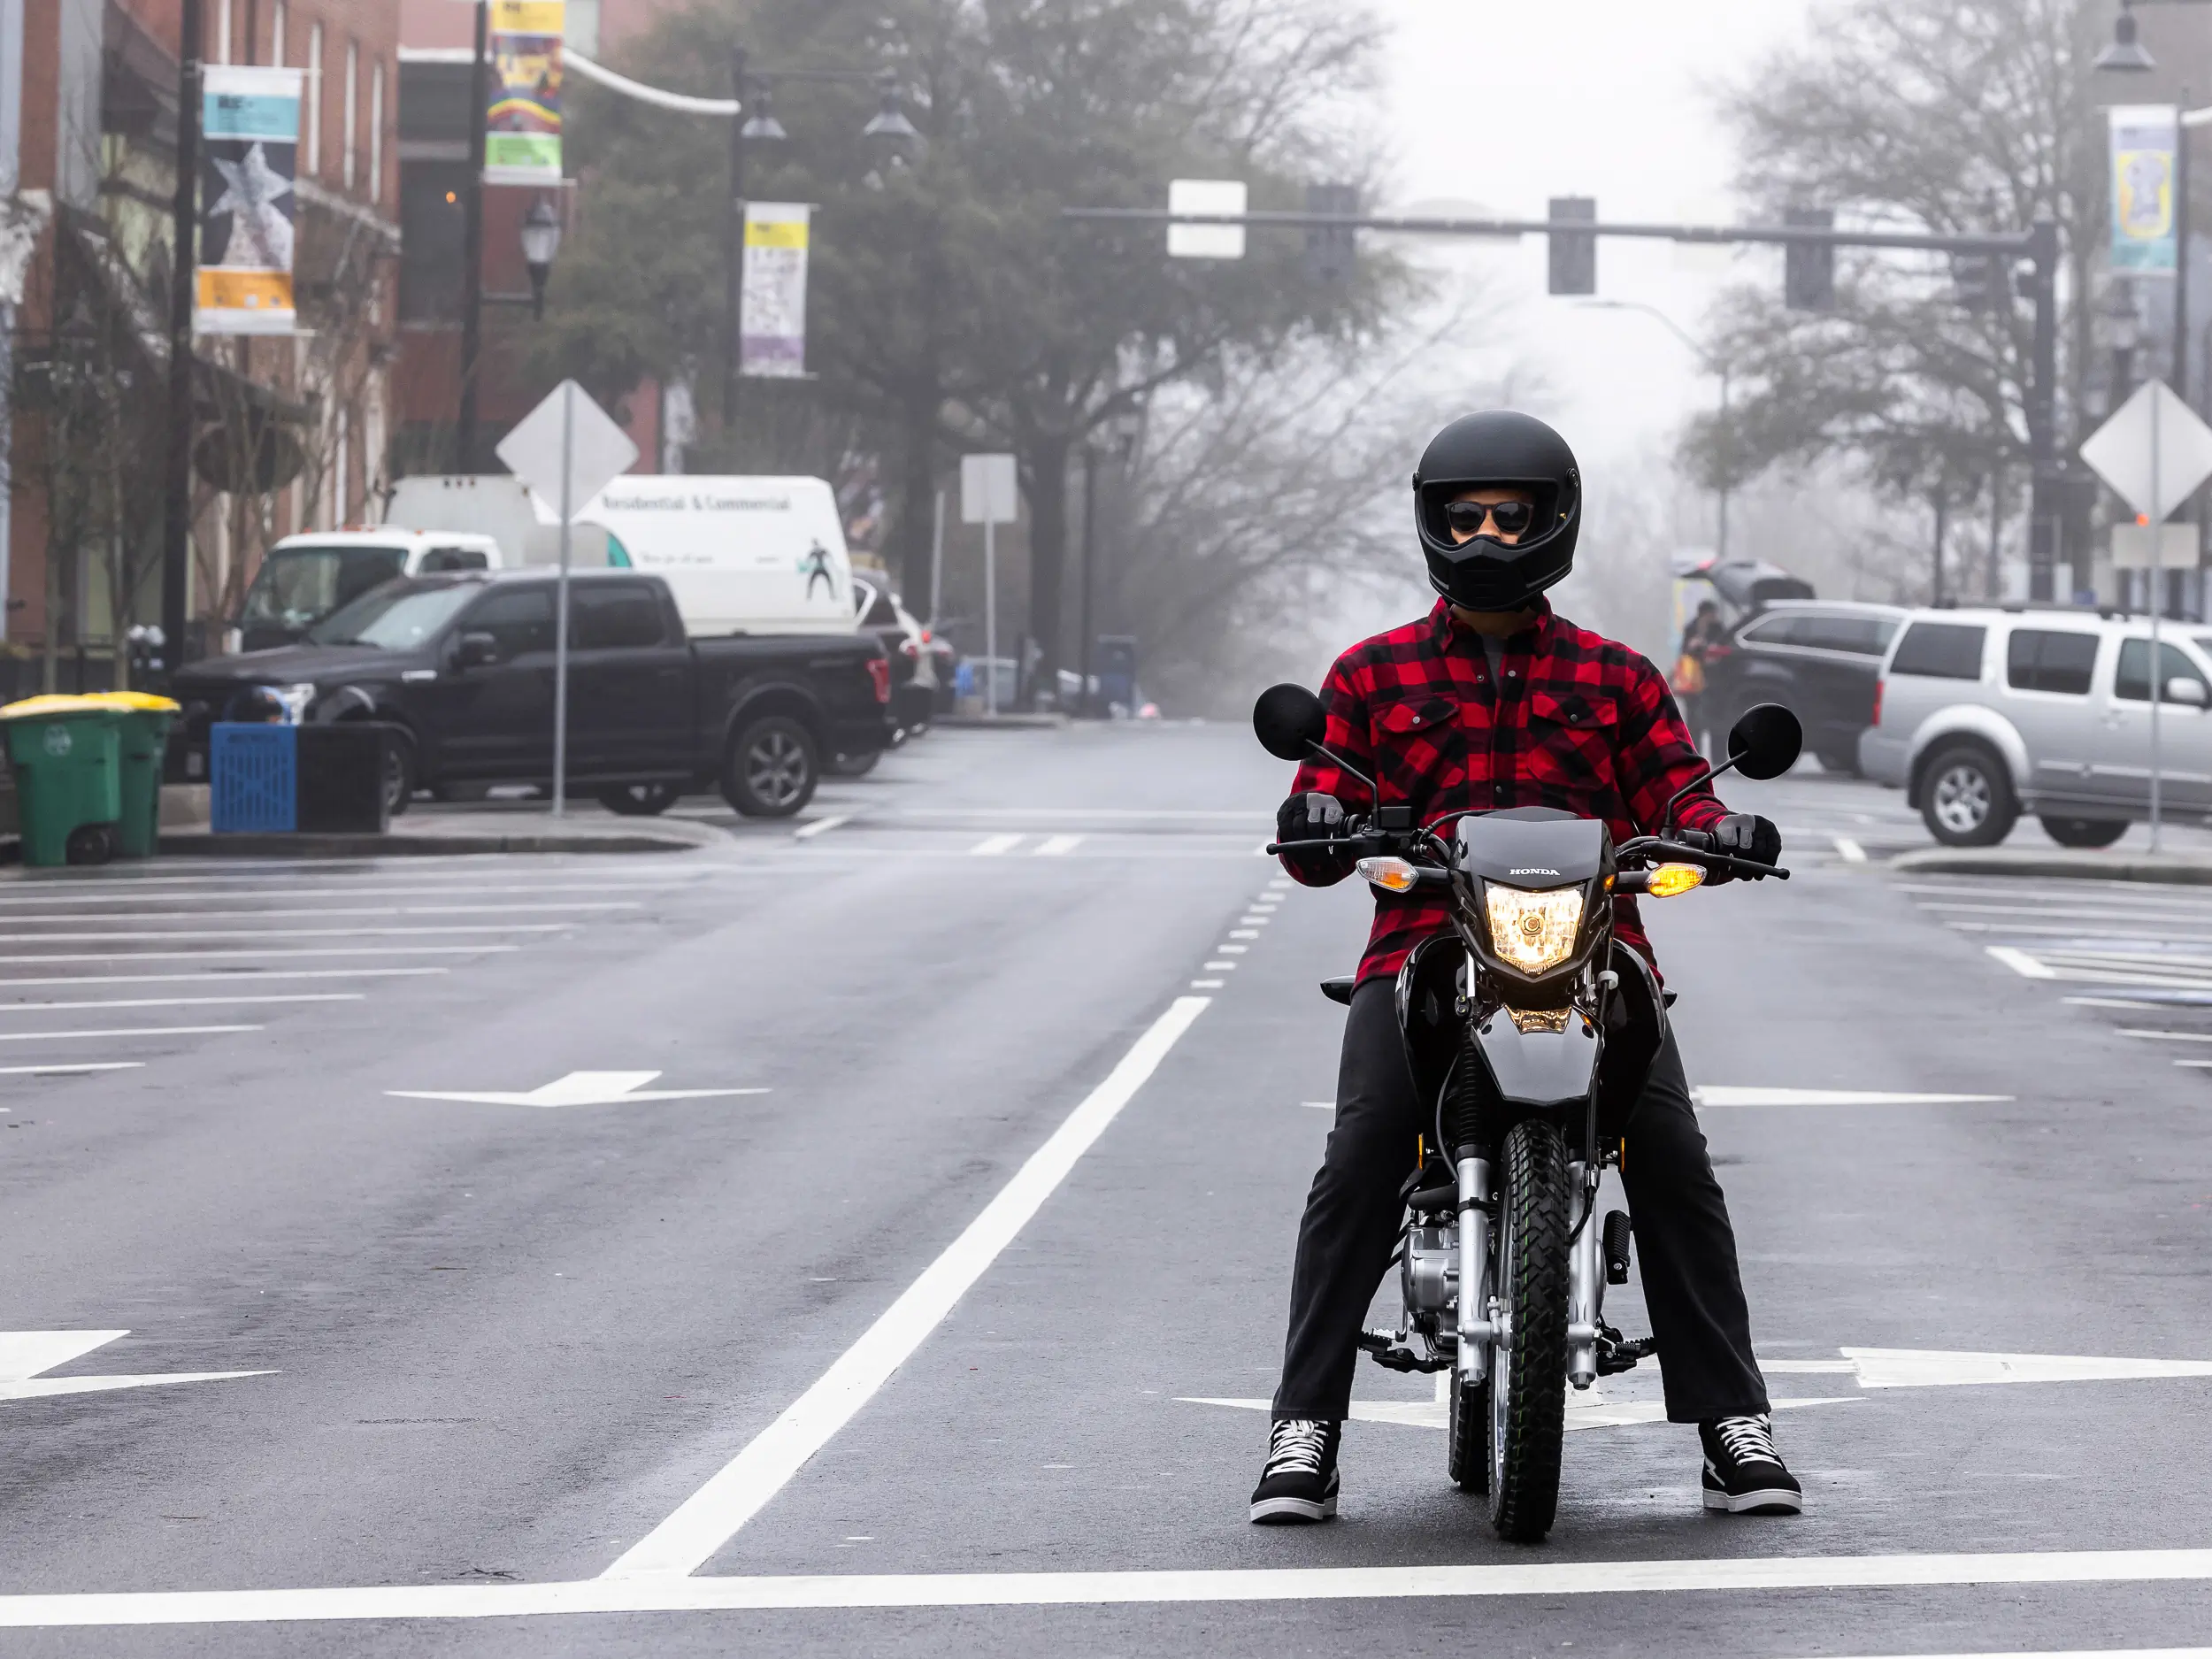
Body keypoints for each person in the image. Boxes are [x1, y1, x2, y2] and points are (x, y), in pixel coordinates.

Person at [1251, 410, 1800, 1526]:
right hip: (1422, 951)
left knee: (1677, 1164)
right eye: (1467, 514)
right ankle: (1302, 1427)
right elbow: (1330, 804)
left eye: (1513, 513)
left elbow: (1677, 792)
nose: (1489, 533)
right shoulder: (1369, 673)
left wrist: (1722, 826)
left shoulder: (1617, 677)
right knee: (1357, 1159)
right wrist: (1316, 821)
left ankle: (1731, 1423)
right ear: (1434, 521)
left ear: (1555, 520)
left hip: (1597, 955)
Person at [1673, 599, 1728, 757]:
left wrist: (1710, 648)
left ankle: (1718, 757)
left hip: (1713, 681)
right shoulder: (1691, 628)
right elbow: (1684, 653)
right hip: (1693, 683)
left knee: (1716, 718)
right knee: (1693, 720)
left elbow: (1723, 649)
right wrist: (1694, 646)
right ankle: (1695, 754)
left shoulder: (1718, 629)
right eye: (1710, 614)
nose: (1713, 617)